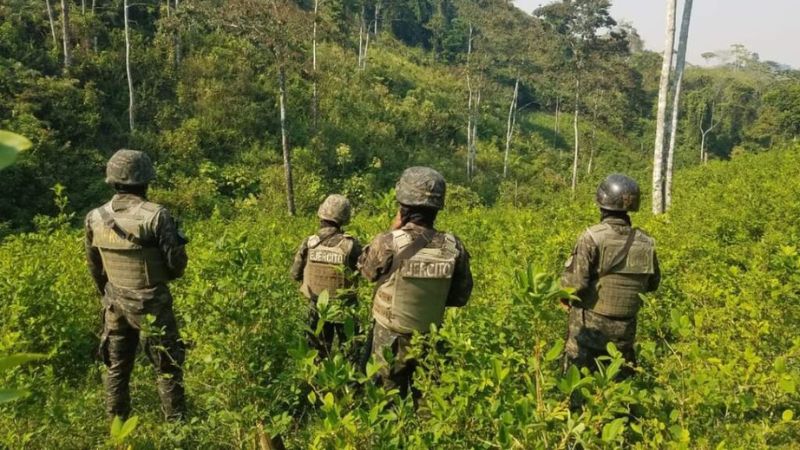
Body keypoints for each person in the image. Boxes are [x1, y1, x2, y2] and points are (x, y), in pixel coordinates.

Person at [85, 149, 188, 421]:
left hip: (114, 302)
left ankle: (116, 425)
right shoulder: (157, 216)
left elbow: (95, 267)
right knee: (167, 366)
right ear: (146, 180)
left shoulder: (95, 216)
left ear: (113, 180)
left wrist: (109, 294)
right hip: (151, 302)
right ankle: (176, 428)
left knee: (116, 368)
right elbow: (176, 265)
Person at [359, 167, 473, 398]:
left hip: (389, 339)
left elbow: (367, 272)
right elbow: (459, 298)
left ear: (403, 205)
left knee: (385, 405)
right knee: (431, 408)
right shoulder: (453, 246)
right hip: (429, 339)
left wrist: (392, 229)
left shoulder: (388, 242)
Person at [561, 173, 661, 380]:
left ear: (601, 203)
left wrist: (564, 296)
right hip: (625, 330)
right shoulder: (646, 242)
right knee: (620, 388)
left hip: (590, 328)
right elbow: (652, 283)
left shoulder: (591, 237)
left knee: (577, 383)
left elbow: (575, 285)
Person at [291, 194, 362, 359]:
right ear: (345, 218)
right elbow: (364, 272)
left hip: (316, 306)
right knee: (350, 353)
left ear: (321, 215)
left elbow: (295, 274)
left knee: (316, 354)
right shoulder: (350, 245)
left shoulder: (309, 243)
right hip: (344, 308)